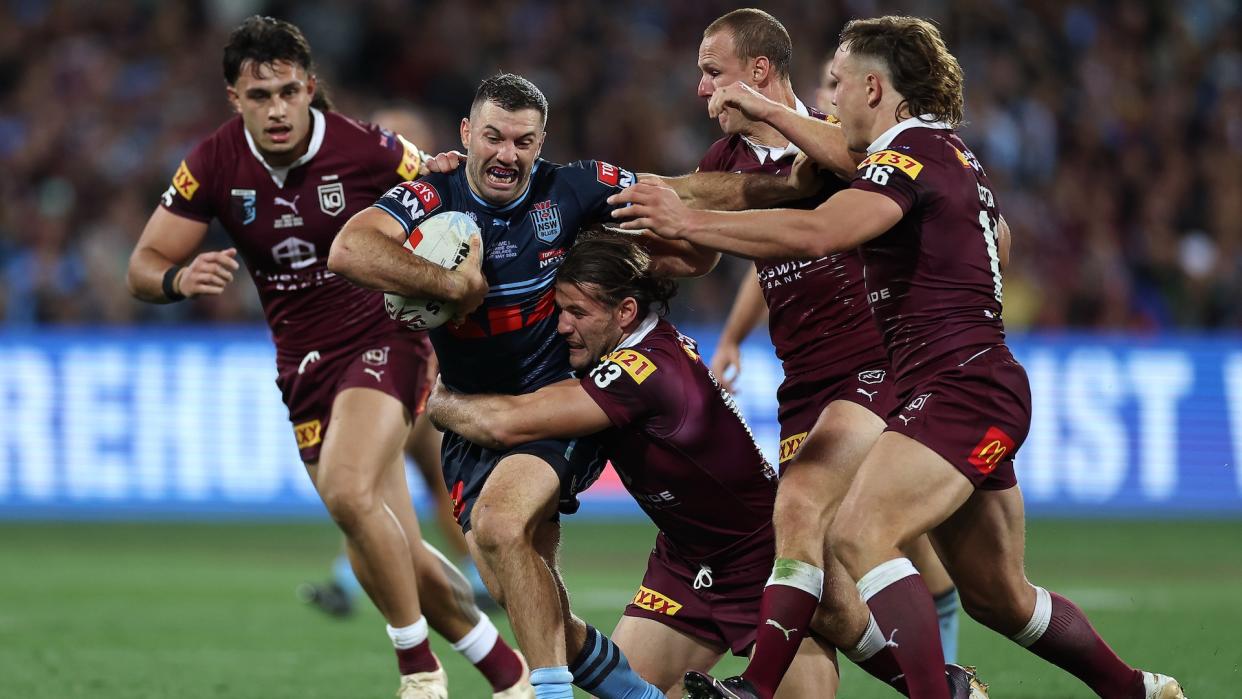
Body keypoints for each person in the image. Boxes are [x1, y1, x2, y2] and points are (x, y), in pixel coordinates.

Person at [610, 15, 1185, 699]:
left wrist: (695, 216)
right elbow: (987, 236)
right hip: (945, 387)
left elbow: (823, 228)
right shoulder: (936, 154)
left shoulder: (908, 155)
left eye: (839, 83)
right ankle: (1135, 689)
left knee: (856, 529)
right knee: (1001, 597)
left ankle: (791, 688)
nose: (831, 97)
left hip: (955, 386)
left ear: (875, 89)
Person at [125, 16, 529, 699]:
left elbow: (448, 202)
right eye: (260, 96)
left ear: (311, 87)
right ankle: (507, 672)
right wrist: (177, 280)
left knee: (347, 490)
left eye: (288, 91)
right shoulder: (213, 164)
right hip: (302, 368)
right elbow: (142, 264)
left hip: (385, 338)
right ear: (234, 98)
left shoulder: (368, 149)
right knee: (388, 537)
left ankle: (418, 670)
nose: (277, 109)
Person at [329, 72, 713, 699]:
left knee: (500, 524)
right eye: (493, 137)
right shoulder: (434, 194)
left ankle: (547, 693)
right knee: (532, 598)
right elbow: (349, 249)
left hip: (553, 401)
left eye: (523, 141)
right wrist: (450, 284)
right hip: (473, 418)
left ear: (542, 143)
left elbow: (693, 246)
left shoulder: (577, 186)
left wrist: (643, 252)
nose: (507, 154)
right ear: (466, 134)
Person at [425, 234, 844, 698]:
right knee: (592, 659)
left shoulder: (640, 370)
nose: (562, 327)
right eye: (559, 311)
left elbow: (507, 426)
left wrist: (443, 401)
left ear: (624, 312)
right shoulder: (628, 345)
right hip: (686, 563)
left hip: (758, 561)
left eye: (577, 313)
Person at [690, 11, 962, 688]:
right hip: (803, 382)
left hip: (870, 361)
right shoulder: (721, 163)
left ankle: (754, 685)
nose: (701, 90)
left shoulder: (834, 136)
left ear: (758, 73)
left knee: (805, 506)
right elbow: (767, 248)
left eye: (712, 72)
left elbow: (859, 178)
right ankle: (945, 678)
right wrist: (727, 331)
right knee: (833, 593)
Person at [298, 106, 492, 618]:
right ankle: (473, 575)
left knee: (380, 478)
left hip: (412, 363)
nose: (389, 146)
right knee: (400, 479)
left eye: (402, 138)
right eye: (385, 135)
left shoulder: (441, 208)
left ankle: (356, 579)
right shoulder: (366, 213)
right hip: (380, 362)